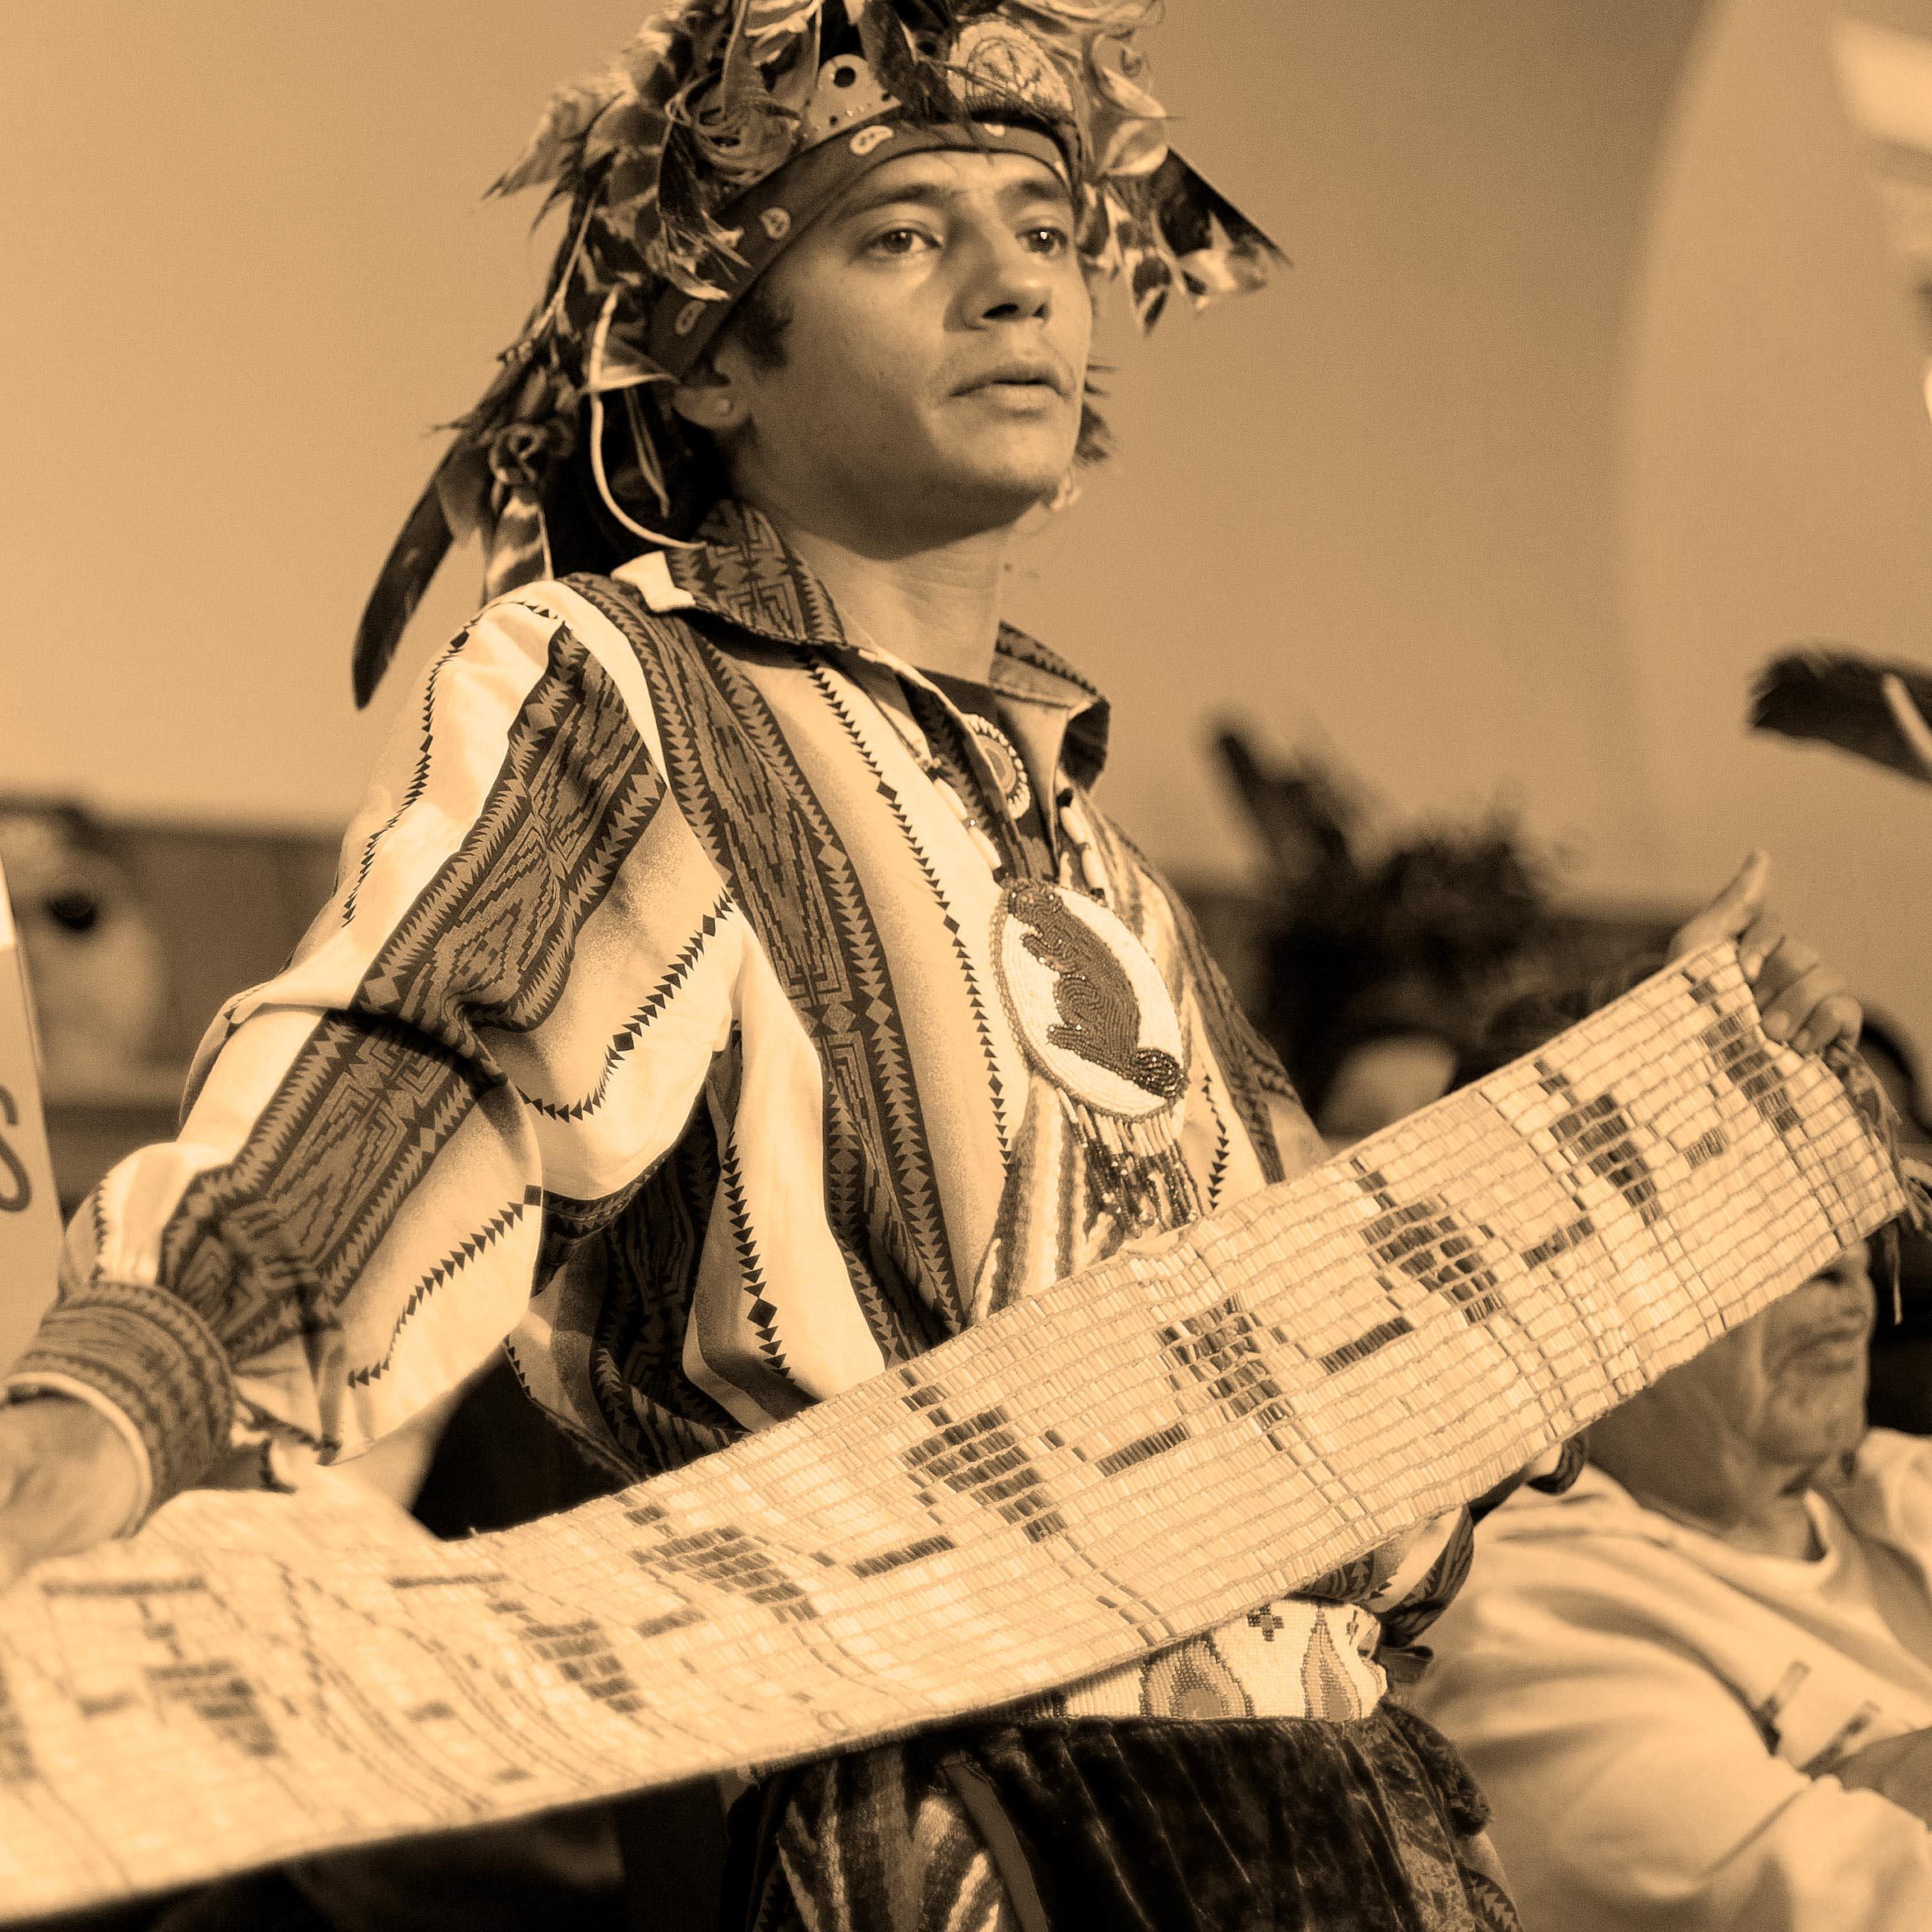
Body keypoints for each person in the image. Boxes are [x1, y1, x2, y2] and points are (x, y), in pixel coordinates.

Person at [0, 6, 1865, 1929]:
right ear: (712, 356)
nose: (1009, 287)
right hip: (969, 1836)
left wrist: (1664, 1158)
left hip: (1337, 1825)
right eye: (899, 235)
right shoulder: (642, 693)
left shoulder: (1093, 854)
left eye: (1045, 232)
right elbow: (421, 1064)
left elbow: (1342, 1392)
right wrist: (115, 1404)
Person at [1416, 982, 1931, 1932]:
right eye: (1743, 1203)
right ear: (1557, 1293)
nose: (1841, 1254)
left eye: (1831, 1186)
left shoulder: (1908, 1486)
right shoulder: (1521, 1620)